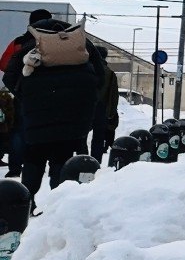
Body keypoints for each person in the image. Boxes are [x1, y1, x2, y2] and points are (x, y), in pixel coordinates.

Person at [7, 19, 116, 195]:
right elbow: (100, 75)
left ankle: (27, 202)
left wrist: (26, 97)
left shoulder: (31, 45)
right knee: (62, 158)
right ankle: (57, 202)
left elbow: (9, 76)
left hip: (37, 116)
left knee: (34, 158)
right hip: (72, 116)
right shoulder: (82, 43)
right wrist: (85, 99)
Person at [0, 10, 46, 178]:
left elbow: (4, 64)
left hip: (24, 93)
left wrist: (17, 87)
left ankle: (15, 167)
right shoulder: (57, 44)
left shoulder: (19, 42)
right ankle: (39, 164)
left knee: (19, 130)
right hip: (49, 94)